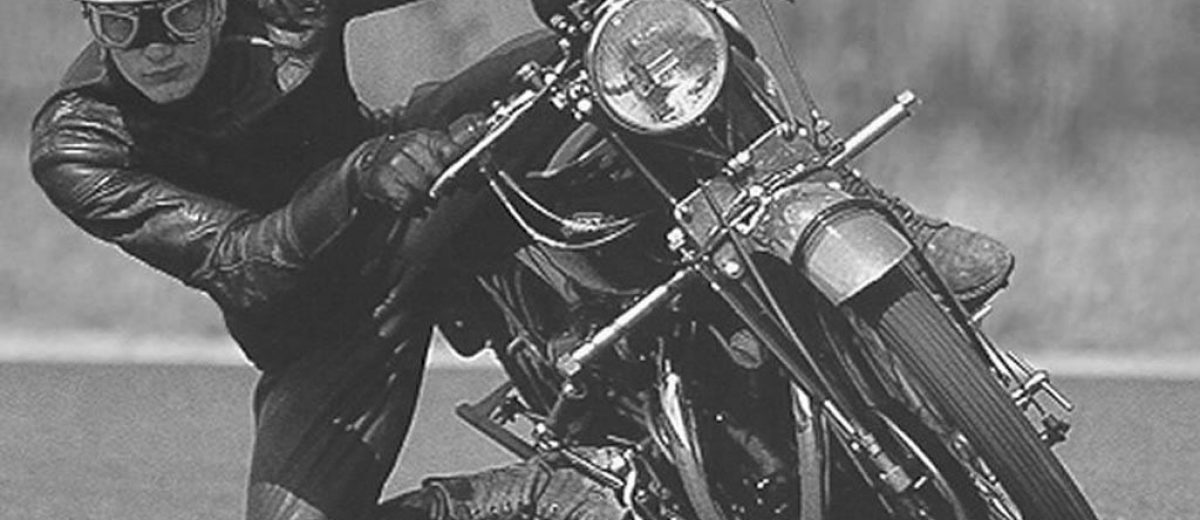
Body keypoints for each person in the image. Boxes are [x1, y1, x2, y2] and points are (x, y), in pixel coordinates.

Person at [28, 0, 1013, 519]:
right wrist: (355, 179)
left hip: (428, 188)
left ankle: (877, 239)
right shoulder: (80, 141)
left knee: (635, 37)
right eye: (120, 20)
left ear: (217, 4)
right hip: (325, 314)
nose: (151, 43)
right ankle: (542, 496)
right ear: (89, 20)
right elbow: (244, 265)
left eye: (176, 13)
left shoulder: (284, 7)